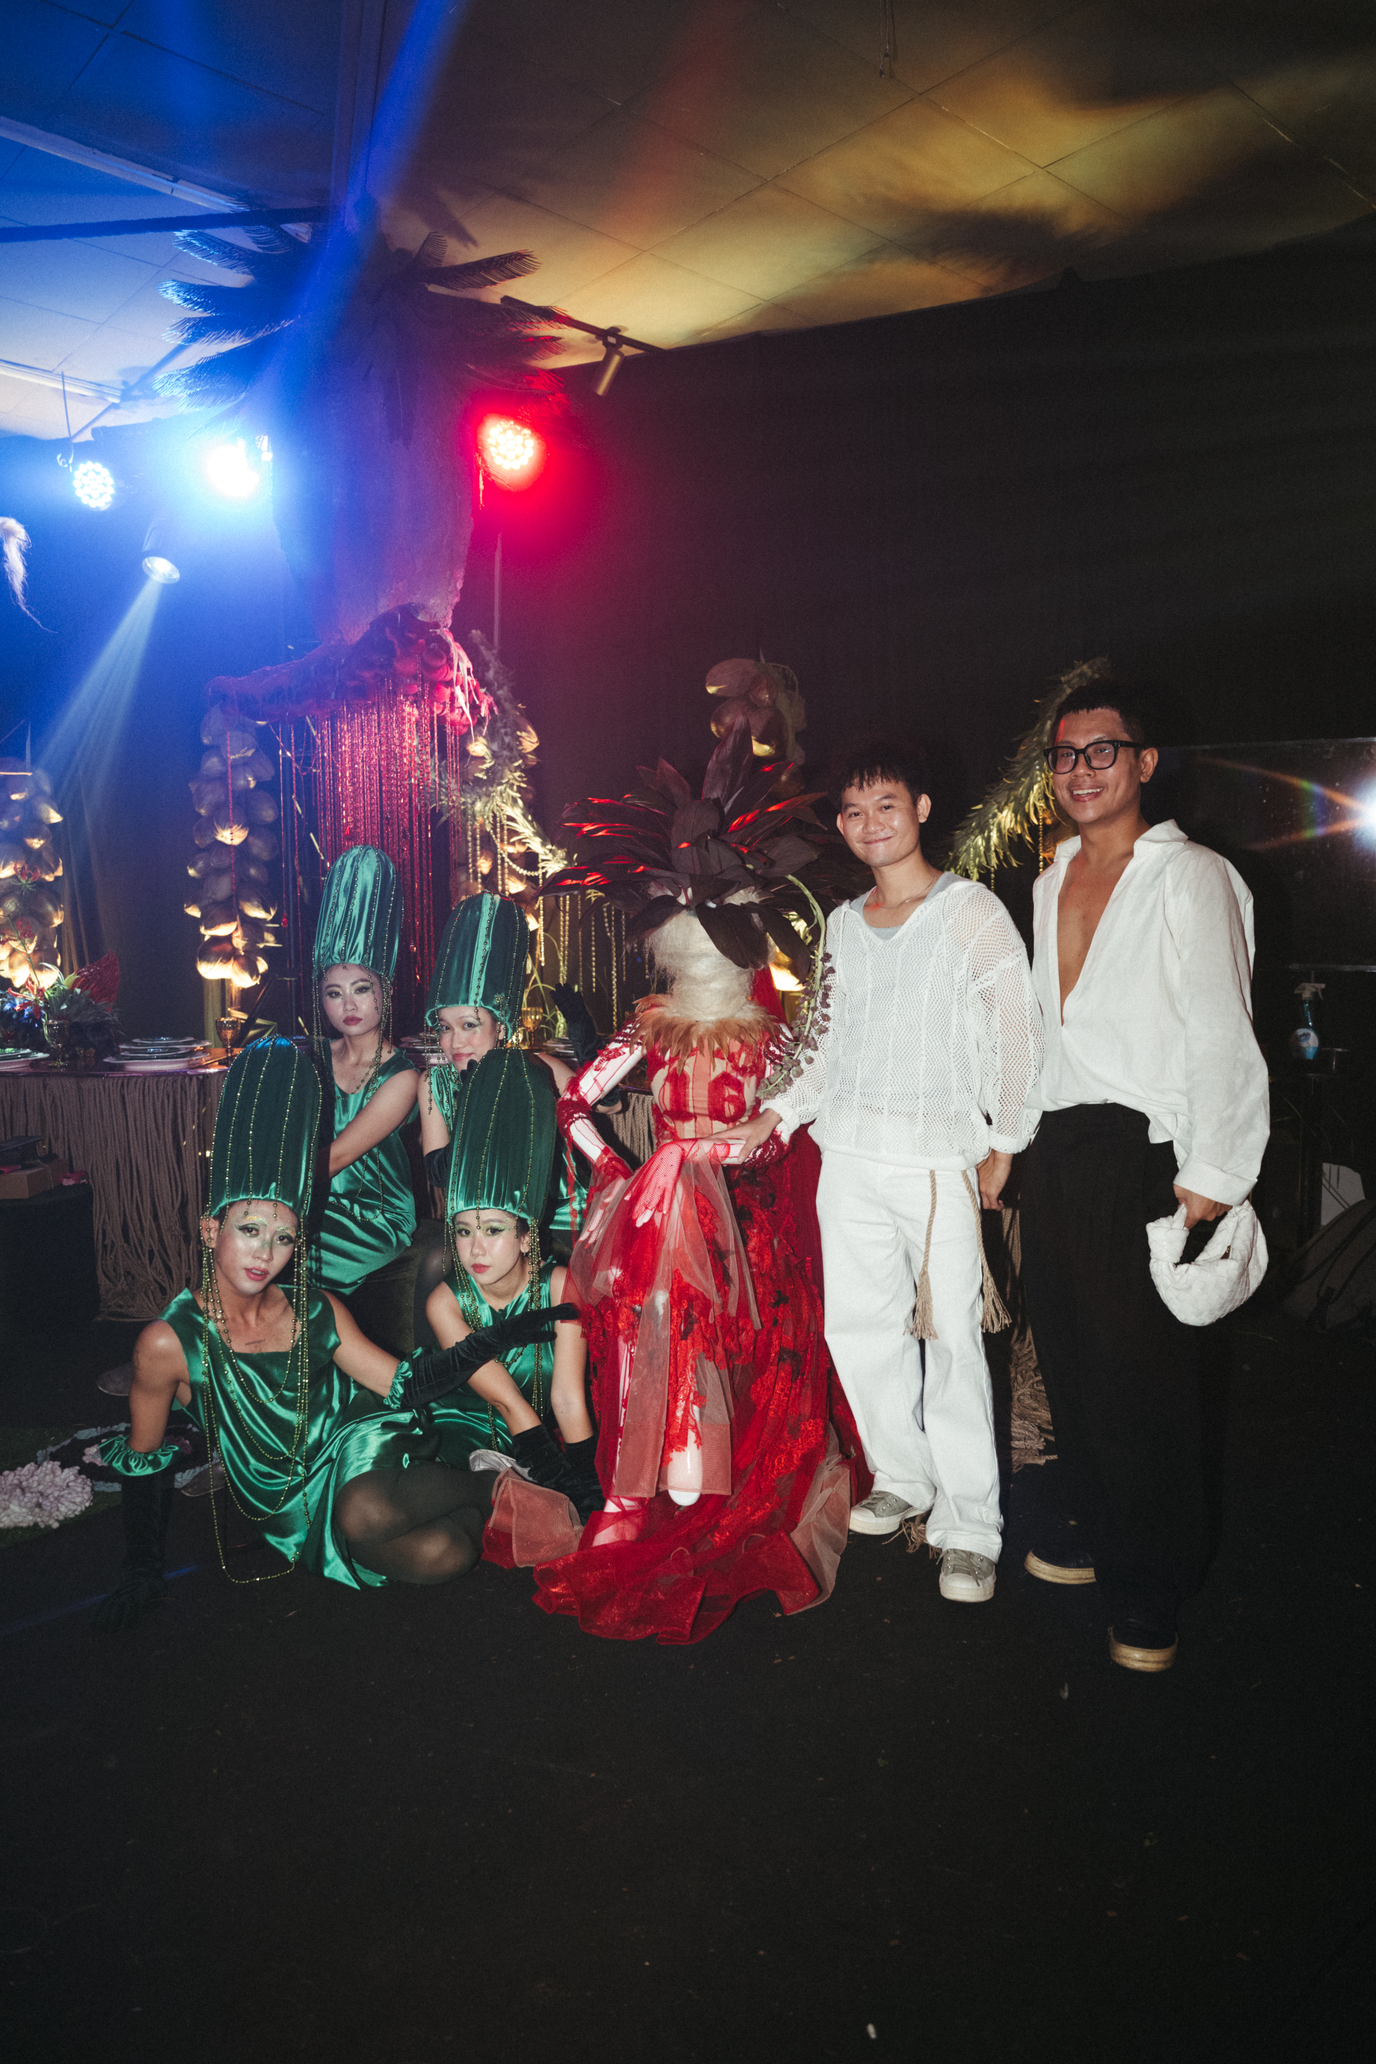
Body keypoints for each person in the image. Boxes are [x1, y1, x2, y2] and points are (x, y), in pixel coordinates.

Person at [492, 717, 851, 1644]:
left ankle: (699, 1460)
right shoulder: (648, 1026)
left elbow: (788, 1121)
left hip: (743, 1208)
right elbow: (575, 1102)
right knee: (639, 1326)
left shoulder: (773, 1035)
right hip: (655, 1206)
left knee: (708, 1325)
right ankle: (632, 1484)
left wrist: (713, 1158)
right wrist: (622, 1171)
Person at [94, 1038, 573, 1626]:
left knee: (366, 1510)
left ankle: (490, 1487)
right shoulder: (168, 1341)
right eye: (249, 1230)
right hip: (284, 1498)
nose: (264, 1253)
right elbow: (143, 1458)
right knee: (444, 1555)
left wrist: (490, 1339)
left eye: (284, 1238)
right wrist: (140, 1570)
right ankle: (471, 1492)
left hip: (362, 1447)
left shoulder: (314, 1308)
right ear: (210, 1230)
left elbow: (402, 1385)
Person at [725, 739, 1041, 1605]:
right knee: (859, 1329)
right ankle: (903, 1474)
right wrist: (776, 1114)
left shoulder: (970, 911)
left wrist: (1005, 1142)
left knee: (954, 1345)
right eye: (855, 811)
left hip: (937, 1161)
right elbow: (826, 1044)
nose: (871, 824)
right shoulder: (842, 924)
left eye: (887, 806)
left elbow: (1018, 1029)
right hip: (851, 1155)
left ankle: (971, 1529)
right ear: (841, 824)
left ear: (922, 809)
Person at [1015, 681, 1269, 1672]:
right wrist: (1012, 1138)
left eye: (1101, 751)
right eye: (1064, 755)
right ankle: (1095, 1525)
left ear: (1144, 762)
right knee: (1073, 1362)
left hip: (1147, 1155)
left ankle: (1152, 1584)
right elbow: (1043, 1031)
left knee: (1145, 1380)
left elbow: (1221, 1028)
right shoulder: (1049, 881)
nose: (1080, 771)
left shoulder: (1191, 877)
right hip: (1058, 1148)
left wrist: (1213, 1172)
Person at [423, 1042, 601, 1517]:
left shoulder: (561, 1286)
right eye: (464, 1231)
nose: (475, 1249)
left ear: (526, 1238)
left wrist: (588, 1485)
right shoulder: (445, 1302)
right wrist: (561, 1480)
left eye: (494, 1230)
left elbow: (568, 1397)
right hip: (465, 1436)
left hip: (542, 1441)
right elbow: (507, 1403)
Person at [312, 844, 421, 1354]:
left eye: (361, 988)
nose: (348, 1005)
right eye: (334, 993)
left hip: (374, 1217)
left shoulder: (402, 1076)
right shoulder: (313, 1058)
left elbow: (335, 1159)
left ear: (386, 991)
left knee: (263, 1244)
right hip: (315, 1201)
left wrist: (263, 1191)